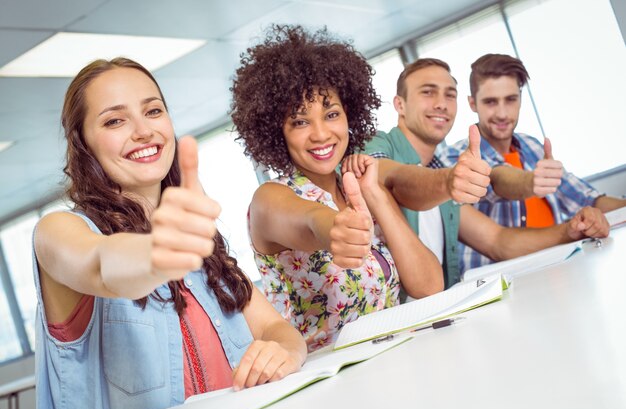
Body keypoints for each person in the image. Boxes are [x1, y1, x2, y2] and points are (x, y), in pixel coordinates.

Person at [32, 58, 306, 409]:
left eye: (153, 111)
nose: (144, 131)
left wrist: (282, 351)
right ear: (83, 143)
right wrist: (158, 249)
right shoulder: (57, 231)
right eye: (115, 120)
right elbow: (101, 265)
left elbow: (275, 328)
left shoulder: (200, 244)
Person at [230, 25, 443, 352]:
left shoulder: (358, 184)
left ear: (349, 117)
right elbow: (311, 220)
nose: (320, 134)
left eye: (331, 114)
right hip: (331, 383)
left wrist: (376, 197)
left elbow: (429, 287)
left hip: (401, 360)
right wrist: (335, 229)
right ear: (277, 131)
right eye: (300, 122)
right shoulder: (271, 198)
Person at [362, 57, 609, 282]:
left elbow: (497, 241)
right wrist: (448, 181)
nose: (441, 104)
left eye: (450, 95)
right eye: (428, 92)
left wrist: (570, 230)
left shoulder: (440, 168)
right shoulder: (379, 144)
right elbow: (388, 176)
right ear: (400, 105)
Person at [438, 53, 625, 270]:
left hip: (562, 272)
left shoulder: (533, 147)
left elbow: (588, 199)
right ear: (472, 103)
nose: (502, 113)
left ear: (520, 99)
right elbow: (496, 178)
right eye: (490, 102)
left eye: (510, 99)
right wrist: (530, 182)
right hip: (503, 287)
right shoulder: (453, 159)